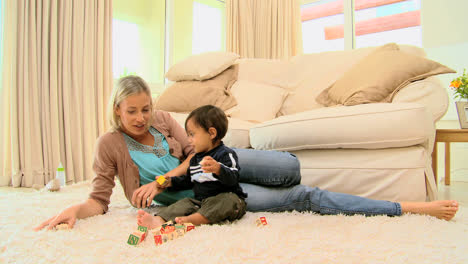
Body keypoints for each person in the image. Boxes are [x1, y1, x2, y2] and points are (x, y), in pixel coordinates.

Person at [34, 75, 459, 231]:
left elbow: (190, 152)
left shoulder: (165, 119)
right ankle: (407, 206)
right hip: (205, 195)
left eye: (146, 108)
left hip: (214, 164)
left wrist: (167, 175)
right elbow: (98, 199)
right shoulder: (109, 145)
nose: (143, 117)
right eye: (133, 112)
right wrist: (75, 209)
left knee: (290, 166)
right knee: (304, 196)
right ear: (116, 110)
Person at [137, 105, 247, 228]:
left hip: (229, 199)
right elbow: (188, 180)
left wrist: (219, 169)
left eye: (192, 134)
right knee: (184, 203)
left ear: (211, 133)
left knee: (228, 201)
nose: (188, 140)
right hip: (201, 202)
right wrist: (170, 182)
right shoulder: (195, 159)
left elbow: (234, 178)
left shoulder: (226, 154)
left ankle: (194, 219)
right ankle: (159, 219)